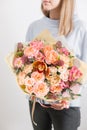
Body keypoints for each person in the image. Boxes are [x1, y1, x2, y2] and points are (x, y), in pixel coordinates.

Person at [25, 0, 87, 130]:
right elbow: (27, 65)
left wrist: (66, 98)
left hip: (66, 106)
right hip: (38, 104)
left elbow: (84, 70)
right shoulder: (34, 26)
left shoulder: (80, 28)